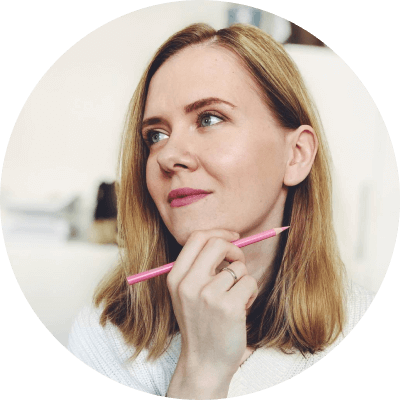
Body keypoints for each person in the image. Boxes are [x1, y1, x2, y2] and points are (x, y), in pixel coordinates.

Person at [68, 23, 375, 398]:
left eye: (209, 118)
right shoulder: (104, 337)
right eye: (156, 135)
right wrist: (201, 372)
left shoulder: (355, 320)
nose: (168, 156)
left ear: (296, 155)